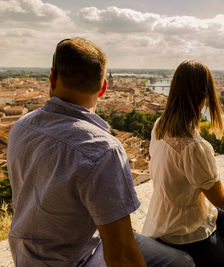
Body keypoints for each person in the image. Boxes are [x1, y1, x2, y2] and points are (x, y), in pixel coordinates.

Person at [7, 37, 194, 267]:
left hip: (26, 256)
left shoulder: (21, 127)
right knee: (183, 262)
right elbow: (121, 255)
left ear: (52, 77)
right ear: (104, 87)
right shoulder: (102, 149)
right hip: (77, 259)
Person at [142, 60, 224, 267]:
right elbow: (220, 199)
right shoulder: (194, 146)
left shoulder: (160, 126)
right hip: (185, 231)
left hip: (165, 218)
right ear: (204, 95)